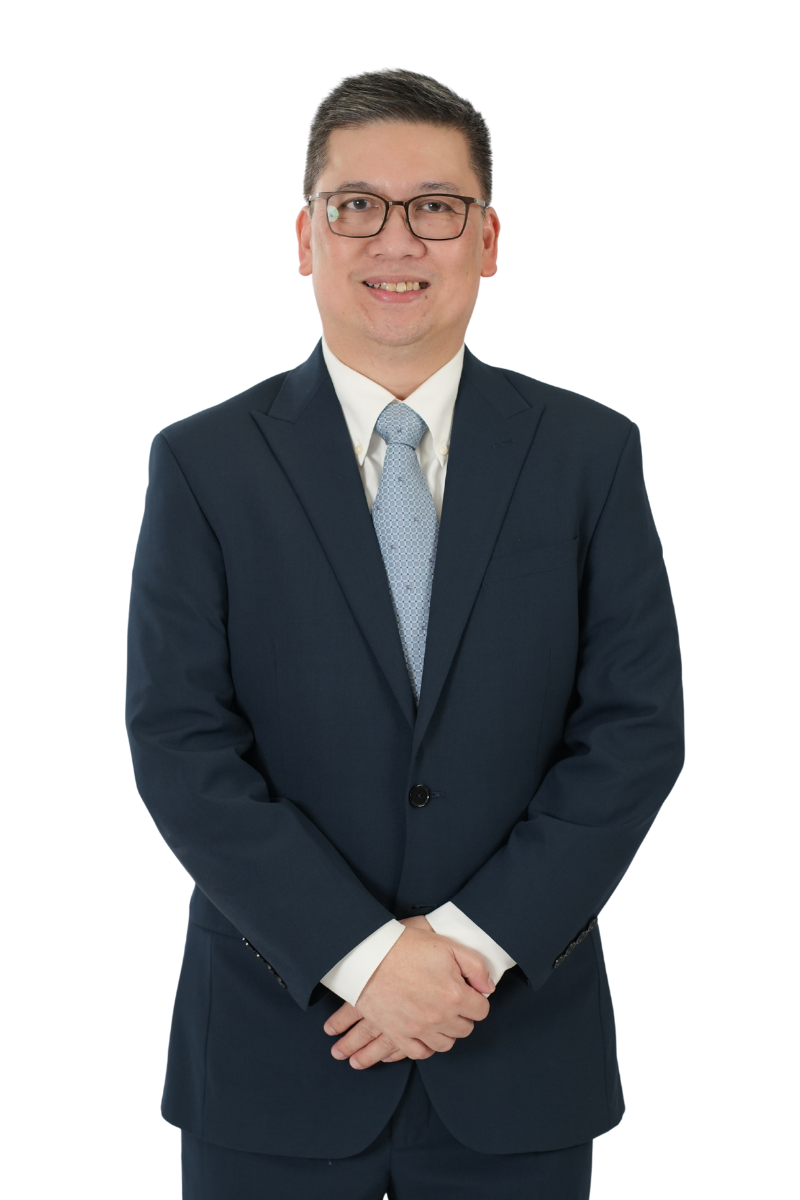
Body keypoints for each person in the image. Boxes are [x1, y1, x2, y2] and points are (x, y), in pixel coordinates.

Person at [126, 68, 684, 1200]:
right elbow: (181, 742)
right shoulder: (203, 464)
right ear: (305, 236)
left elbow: (633, 733)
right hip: (275, 1049)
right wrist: (364, 957)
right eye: (356, 206)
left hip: (516, 1047)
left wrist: (466, 950)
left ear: (487, 239)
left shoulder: (588, 456)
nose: (396, 239)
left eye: (435, 206)